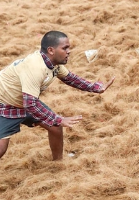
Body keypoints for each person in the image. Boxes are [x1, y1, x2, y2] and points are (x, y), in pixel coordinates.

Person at [0, 31, 115, 160]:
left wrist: (96, 88)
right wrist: (58, 119)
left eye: (69, 47)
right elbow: (30, 104)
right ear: (51, 50)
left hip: (23, 100)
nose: (69, 51)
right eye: (65, 48)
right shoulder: (35, 67)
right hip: (5, 104)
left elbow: (70, 78)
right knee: (1, 149)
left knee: (55, 127)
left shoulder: (54, 65)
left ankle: (58, 163)